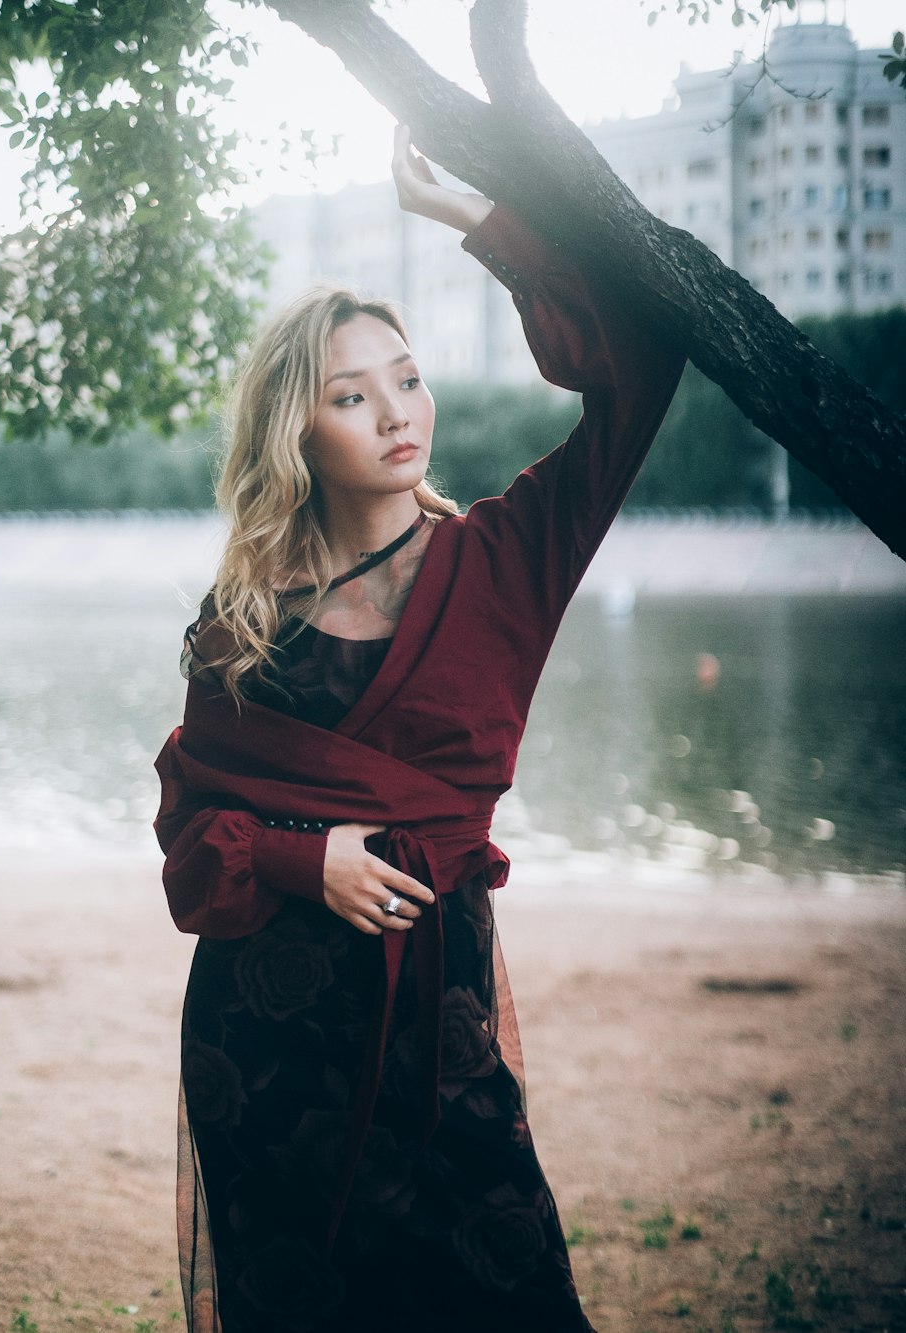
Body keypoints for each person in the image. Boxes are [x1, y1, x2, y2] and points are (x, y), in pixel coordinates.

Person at [154, 125, 684, 1333]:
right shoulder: (240, 622)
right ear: (298, 431)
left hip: (437, 1018)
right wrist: (308, 855)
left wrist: (477, 221)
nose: (397, 412)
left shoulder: (506, 557)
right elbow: (191, 839)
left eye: (406, 376)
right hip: (269, 1035)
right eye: (351, 394)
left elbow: (646, 357)